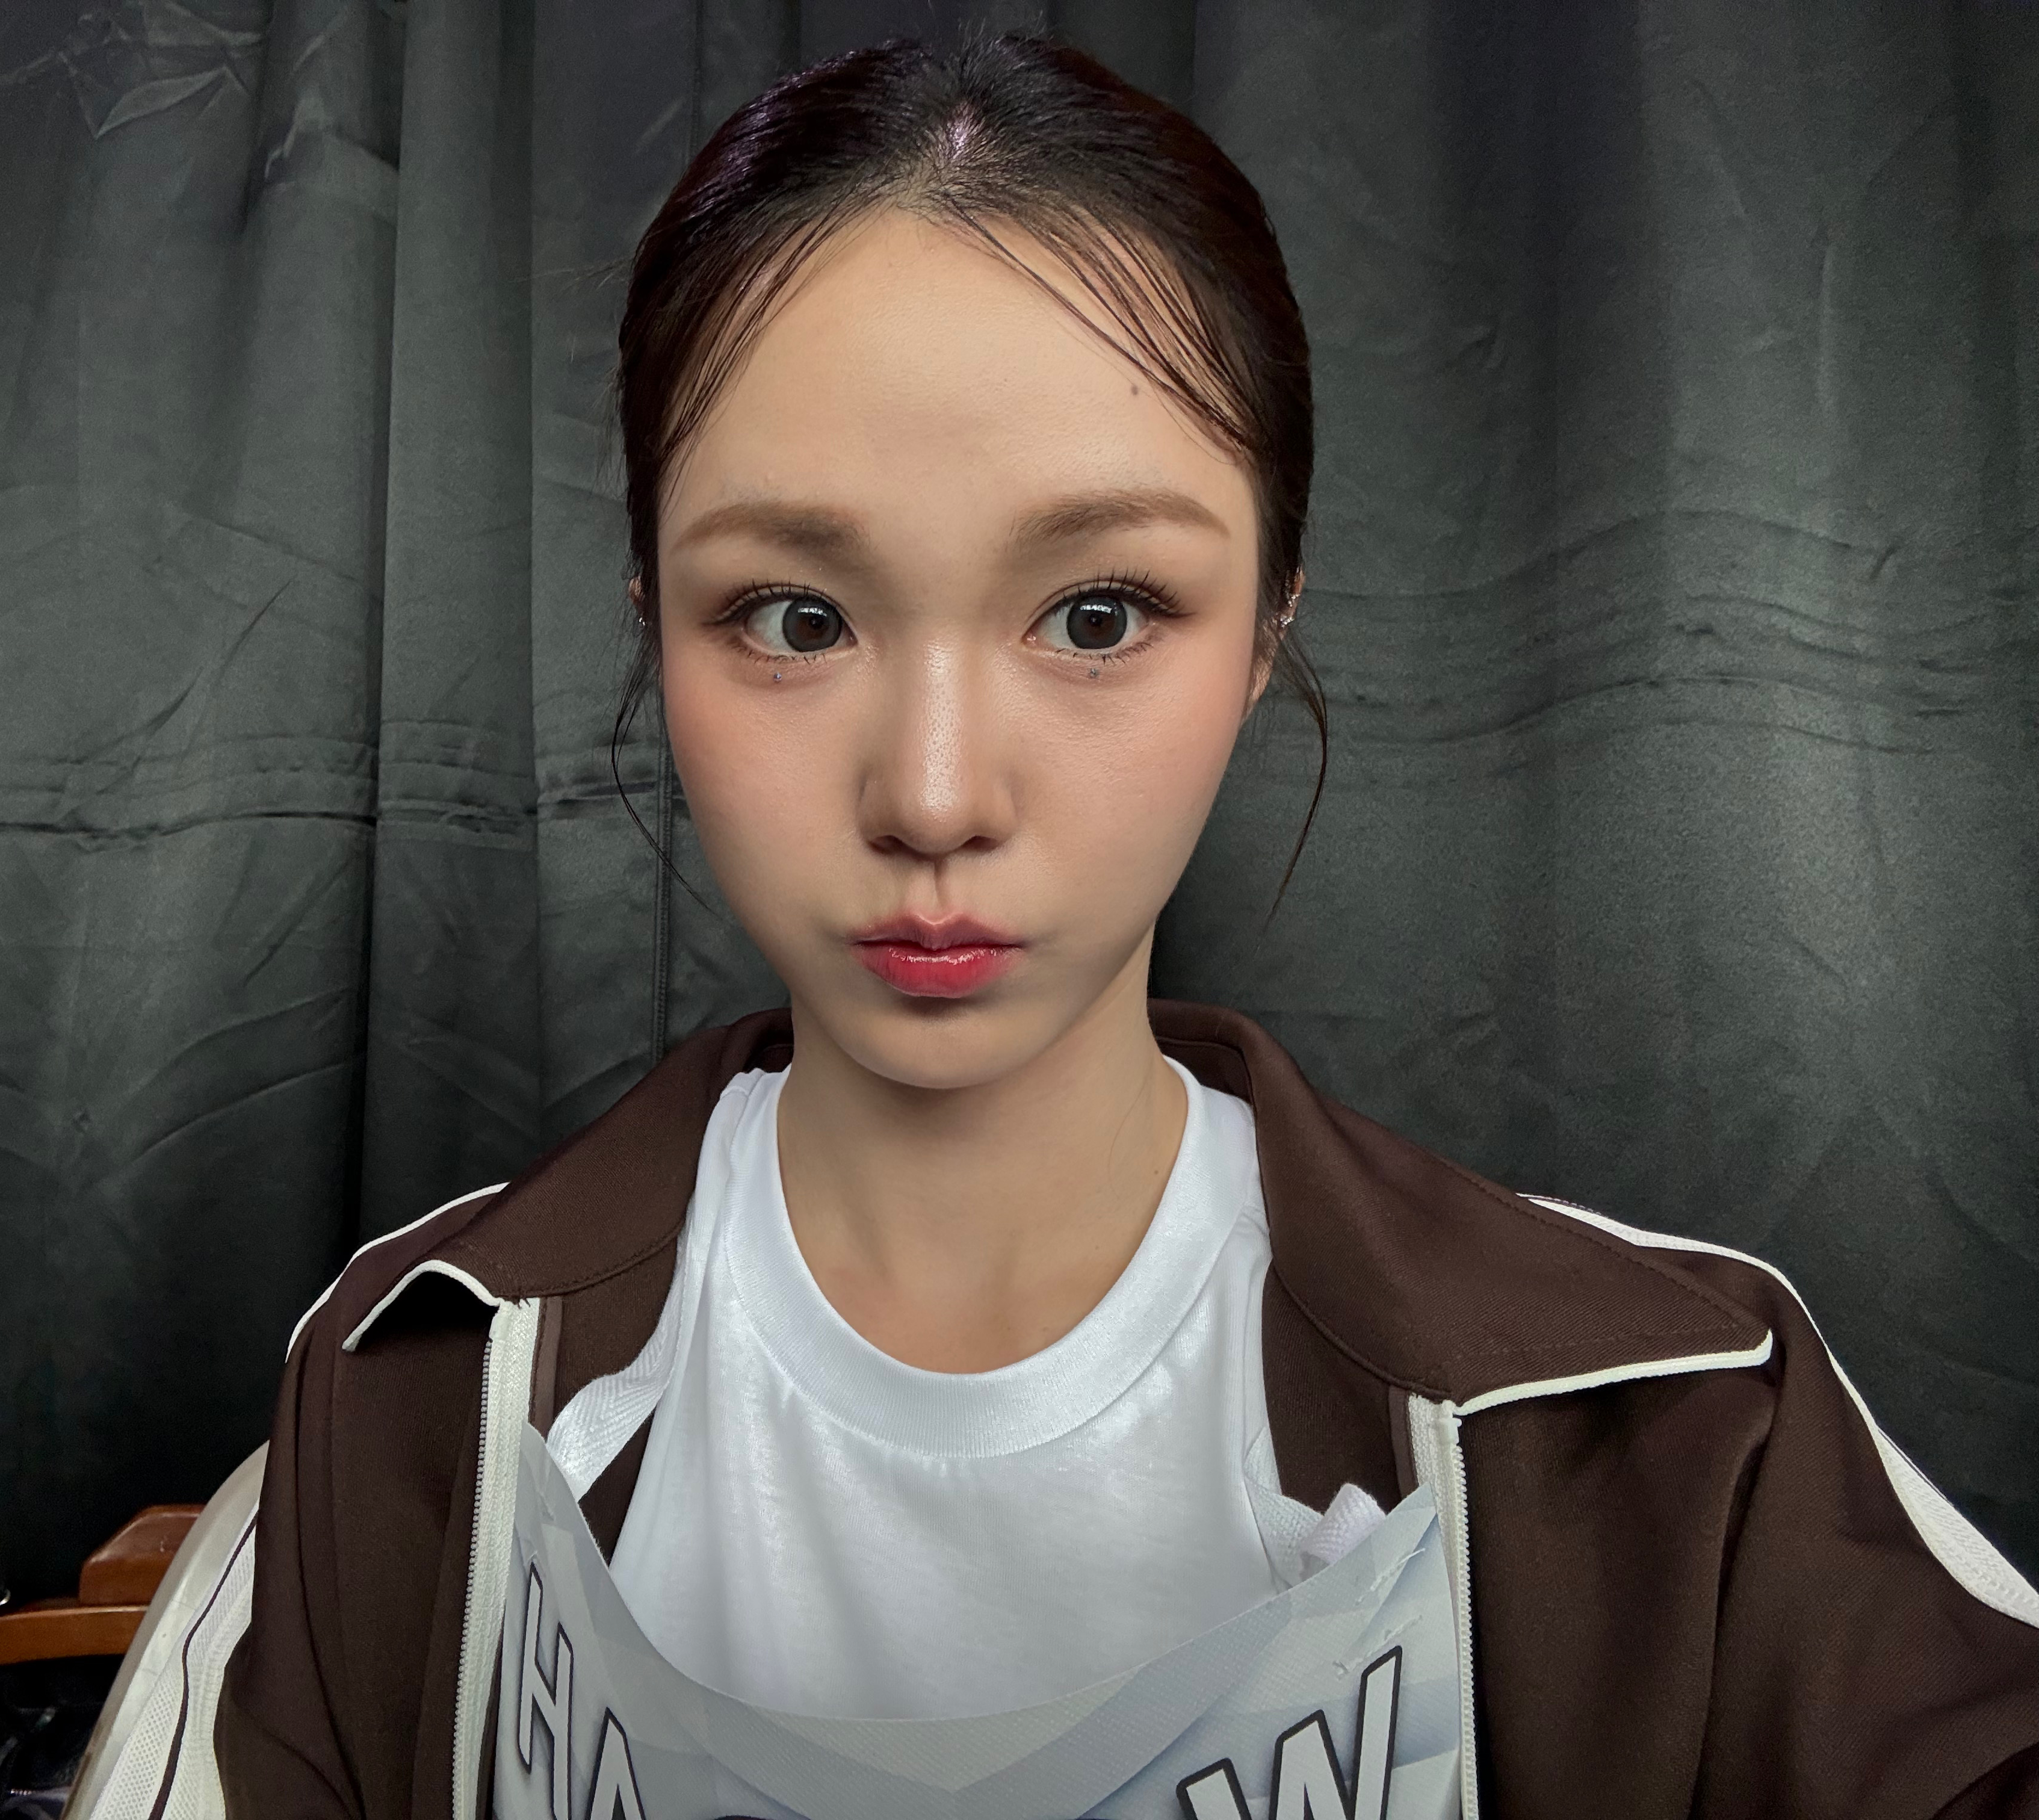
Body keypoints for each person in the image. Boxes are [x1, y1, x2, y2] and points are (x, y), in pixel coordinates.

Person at [203, 38, 2039, 1820]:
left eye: (1097, 615)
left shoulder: (1675, 1425)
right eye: (792, 617)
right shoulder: (409, 1390)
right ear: (652, 627)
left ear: (1267, 631)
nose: (934, 796)